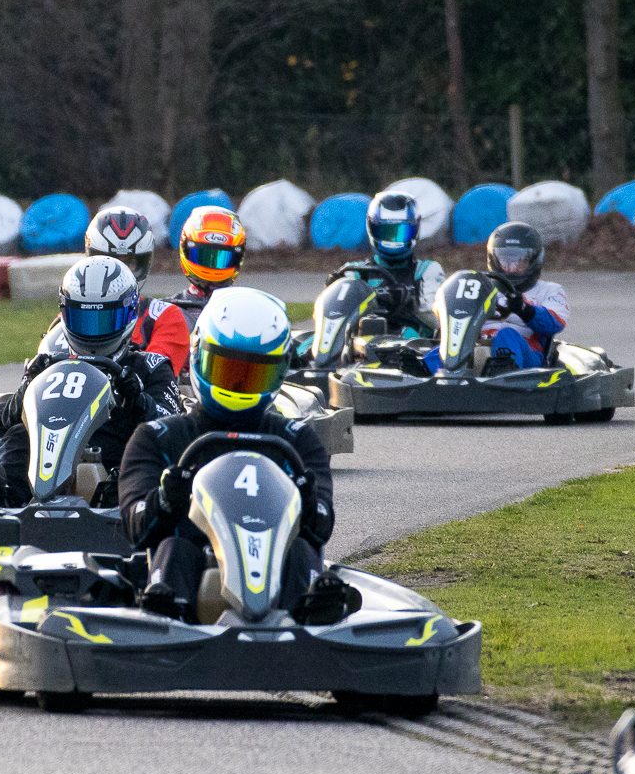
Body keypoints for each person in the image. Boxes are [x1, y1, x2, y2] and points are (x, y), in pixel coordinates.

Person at [118, 287, 354, 625]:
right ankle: (166, 620)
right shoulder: (158, 438)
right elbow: (136, 527)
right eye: (228, 371)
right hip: (188, 581)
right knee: (175, 548)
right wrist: (165, 500)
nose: (239, 386)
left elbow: (321, 528)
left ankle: (312, 619)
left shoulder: (297, 440)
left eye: (254, 375)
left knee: (303, 550)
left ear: (277, 373)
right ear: (200, 356)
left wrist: (307, 500)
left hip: (276, 575)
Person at [0, 255, 182, 505]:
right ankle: (0, 495)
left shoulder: (149, 366)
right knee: (17, 434)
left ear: (130, 314)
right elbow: (3, 423)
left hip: (114, 453)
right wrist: (27, 387)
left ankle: (118, 495)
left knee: (139, 445)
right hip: (50, 443)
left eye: (103, 321)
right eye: (84, 320)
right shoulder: (49, 363)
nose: (93, 332)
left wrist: (138, 399)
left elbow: (171, 429)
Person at [77, 204, 188, 368]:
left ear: (143, 265)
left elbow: (156, 373)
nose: (117, 275)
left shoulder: (164, 317)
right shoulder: (73, 312)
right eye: (109, 263)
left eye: (129, 262)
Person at [339, 192, 445, 339]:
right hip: (361, 343)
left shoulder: (427, 271)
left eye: (401, 232)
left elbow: (437, 320)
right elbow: (336, 315)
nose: (393, 240)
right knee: (310, 341)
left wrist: (408, 301)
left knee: (410, 334)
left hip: (413, 344)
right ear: (372, 228)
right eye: (387, 232)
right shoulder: (354, 272)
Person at [474, 221, 570, 374]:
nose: (512, 268)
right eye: (506, 260)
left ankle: (504, 378)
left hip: (529, 355)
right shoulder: (480, 288)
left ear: (534, 261)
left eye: (520, 261)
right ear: (494, 259)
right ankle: (434, 377)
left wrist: (524, 310)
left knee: (506, 334)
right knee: (443, 350)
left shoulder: (549, 290)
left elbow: (555, 323)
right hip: (478, 347)